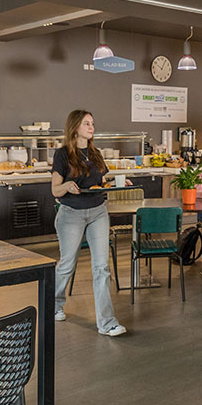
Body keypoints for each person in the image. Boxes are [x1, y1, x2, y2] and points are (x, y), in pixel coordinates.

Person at [51, 109, 126, 337]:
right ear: (75, 127)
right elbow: (55, 189)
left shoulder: (96, 154)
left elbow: (101, 181)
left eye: (93, 123)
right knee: (67, 263)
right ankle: (53, 304)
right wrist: (67, 187)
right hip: (71, 213)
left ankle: (106, 323)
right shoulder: (62, 155)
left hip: (98, 212)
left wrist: (119, 181)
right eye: (86, 123)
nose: (91, 127)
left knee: (101, 267)